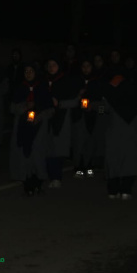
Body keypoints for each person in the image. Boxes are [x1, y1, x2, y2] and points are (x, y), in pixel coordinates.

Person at [9, 62, 53, 196]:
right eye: (26, 71)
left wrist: (39, 116)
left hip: (39, 127)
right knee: (24, 154)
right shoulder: (20, 87)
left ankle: (38, 182)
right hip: (23, 126)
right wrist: (24, 107)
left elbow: (50, 109)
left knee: (37, 154)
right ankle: (27, 183)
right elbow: (12, 107)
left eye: (31, 71)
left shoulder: (42, 87)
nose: (28, 74)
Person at [102, 71, 137, 199]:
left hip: (114, 129)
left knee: (114, 158)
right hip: (131, 128)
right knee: (130, 159)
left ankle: (113, 190)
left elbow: (104, 109)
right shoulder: (132, 89)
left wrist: (94, 108)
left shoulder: (109, 91)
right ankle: (126, 189)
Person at [45, 57, 78, 188]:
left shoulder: (66, 81)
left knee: (58, 149)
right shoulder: (44, 81)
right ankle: (51, 175)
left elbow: (75, 101)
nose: (51, 67)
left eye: (54, 64)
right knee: (47, 148)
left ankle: (57, 176)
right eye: (49, 65)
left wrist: (59, 104)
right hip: (46, 118)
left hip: (62, 119)